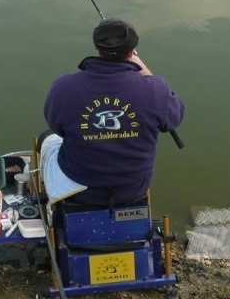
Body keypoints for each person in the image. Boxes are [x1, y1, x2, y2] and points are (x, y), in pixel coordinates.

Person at [40, 18, 184, 206]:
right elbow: (175, 117)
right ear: (132, 52)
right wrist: (144, 70)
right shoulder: (157, 90)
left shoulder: (63, 88)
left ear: (96, 47)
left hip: (81, 189)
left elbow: (57, 127)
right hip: (133, 189)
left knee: (47, 137)